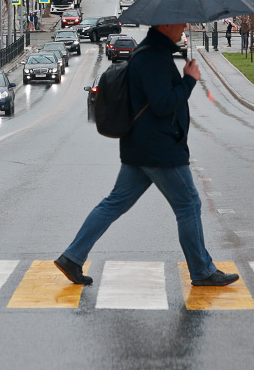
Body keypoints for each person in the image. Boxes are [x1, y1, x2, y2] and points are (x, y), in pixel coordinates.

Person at [54, 22, 240, 288]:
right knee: (189, 205)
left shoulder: (150, 53)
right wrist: (189, 80)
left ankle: (72, 257)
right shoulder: (152, 57)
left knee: (113, 203)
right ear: (165, 25)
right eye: (180, 23)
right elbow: (163, 104)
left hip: (140, 147)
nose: (184, 26)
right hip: (159, 149)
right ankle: (201, 270)